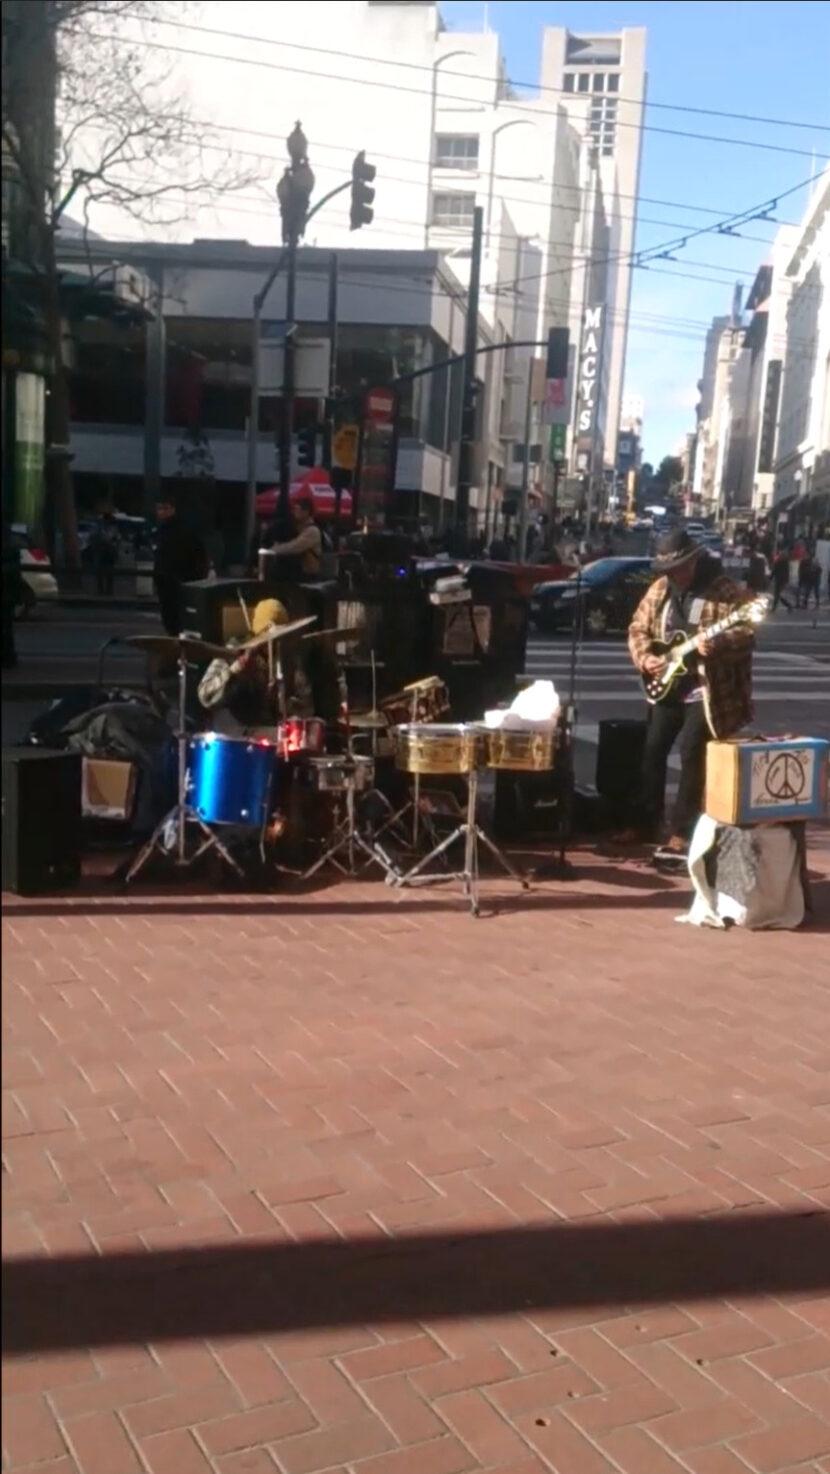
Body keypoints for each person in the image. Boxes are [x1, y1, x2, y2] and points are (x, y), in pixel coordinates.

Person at [619, 528, 755, 859]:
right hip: (667, 684)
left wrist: (718, 643)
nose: (675, 575)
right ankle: (646, 821)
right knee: (652, 751)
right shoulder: (661, 588)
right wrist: (645, 657)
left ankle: (682, 830)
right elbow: (638, 627)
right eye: (669, 570)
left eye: (680, 567)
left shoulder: (723, 589)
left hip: (706, 689)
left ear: (694, 561)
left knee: (693, 754)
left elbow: (747, 632)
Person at [152, 498, 208, 635]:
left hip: (180, 579)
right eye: (159, 508)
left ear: (172, 509)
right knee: (169, 617)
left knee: (177, 618)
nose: (162, 512)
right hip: (165, 579)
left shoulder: (183, 529)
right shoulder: (160, 530)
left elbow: (197, 554)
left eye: (165, 508)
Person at [268, 497, 322, 580]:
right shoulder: (298, 528)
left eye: (298, 509)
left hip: (308, 575)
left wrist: (272, 550)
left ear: (306, 512)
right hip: (299, 573)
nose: (295, 512)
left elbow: (294, 547)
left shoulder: (313, 531)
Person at [92, 514, 118, 596]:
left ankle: (106, 590)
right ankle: (104, 590)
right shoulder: (102, 528)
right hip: (105, 552)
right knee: (103, 572)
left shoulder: (109, 528)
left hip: (106, 552)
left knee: (107, 572)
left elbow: (108, 538)